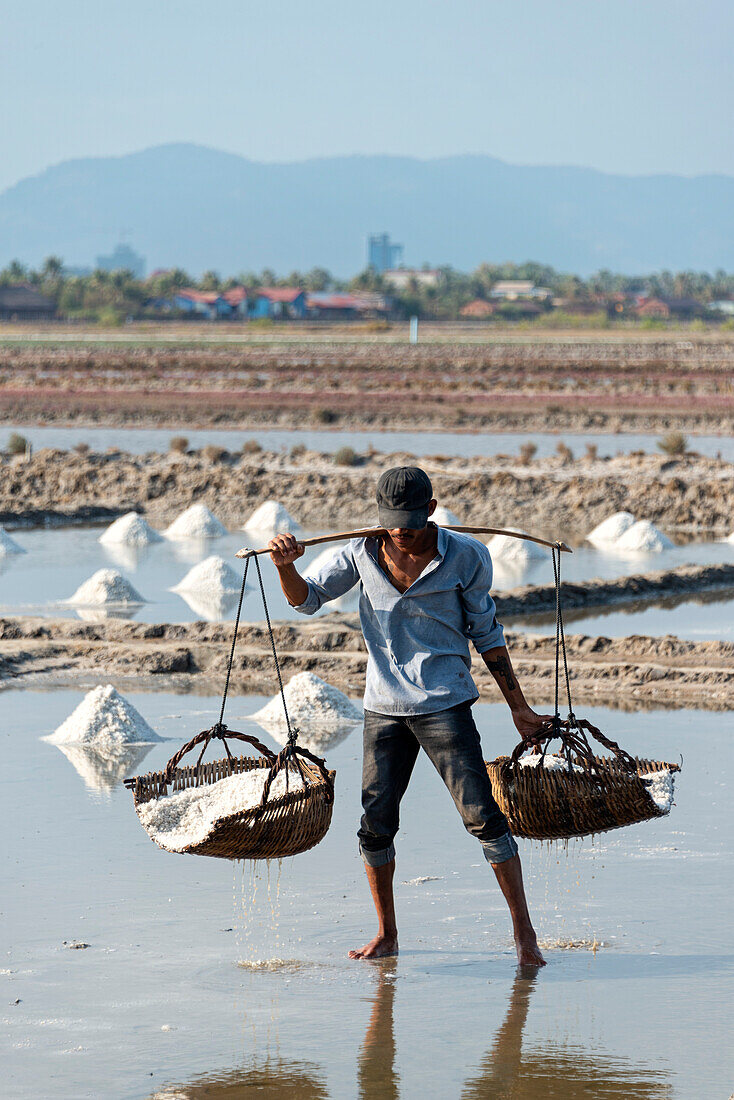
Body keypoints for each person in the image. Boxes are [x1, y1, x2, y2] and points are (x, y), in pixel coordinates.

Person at [269, 466, 549, 966]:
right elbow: (306, 600)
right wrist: (286, 565)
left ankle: (525, 937)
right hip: (383, 710)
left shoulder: (466, 556)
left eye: (410, 520)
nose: (400, 529)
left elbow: (486, 633)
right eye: (391, 520)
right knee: (374, 827)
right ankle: (387, 934)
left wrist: (518, 707)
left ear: (432, 510)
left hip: (445, 704)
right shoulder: (359, 552)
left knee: (484, 819)